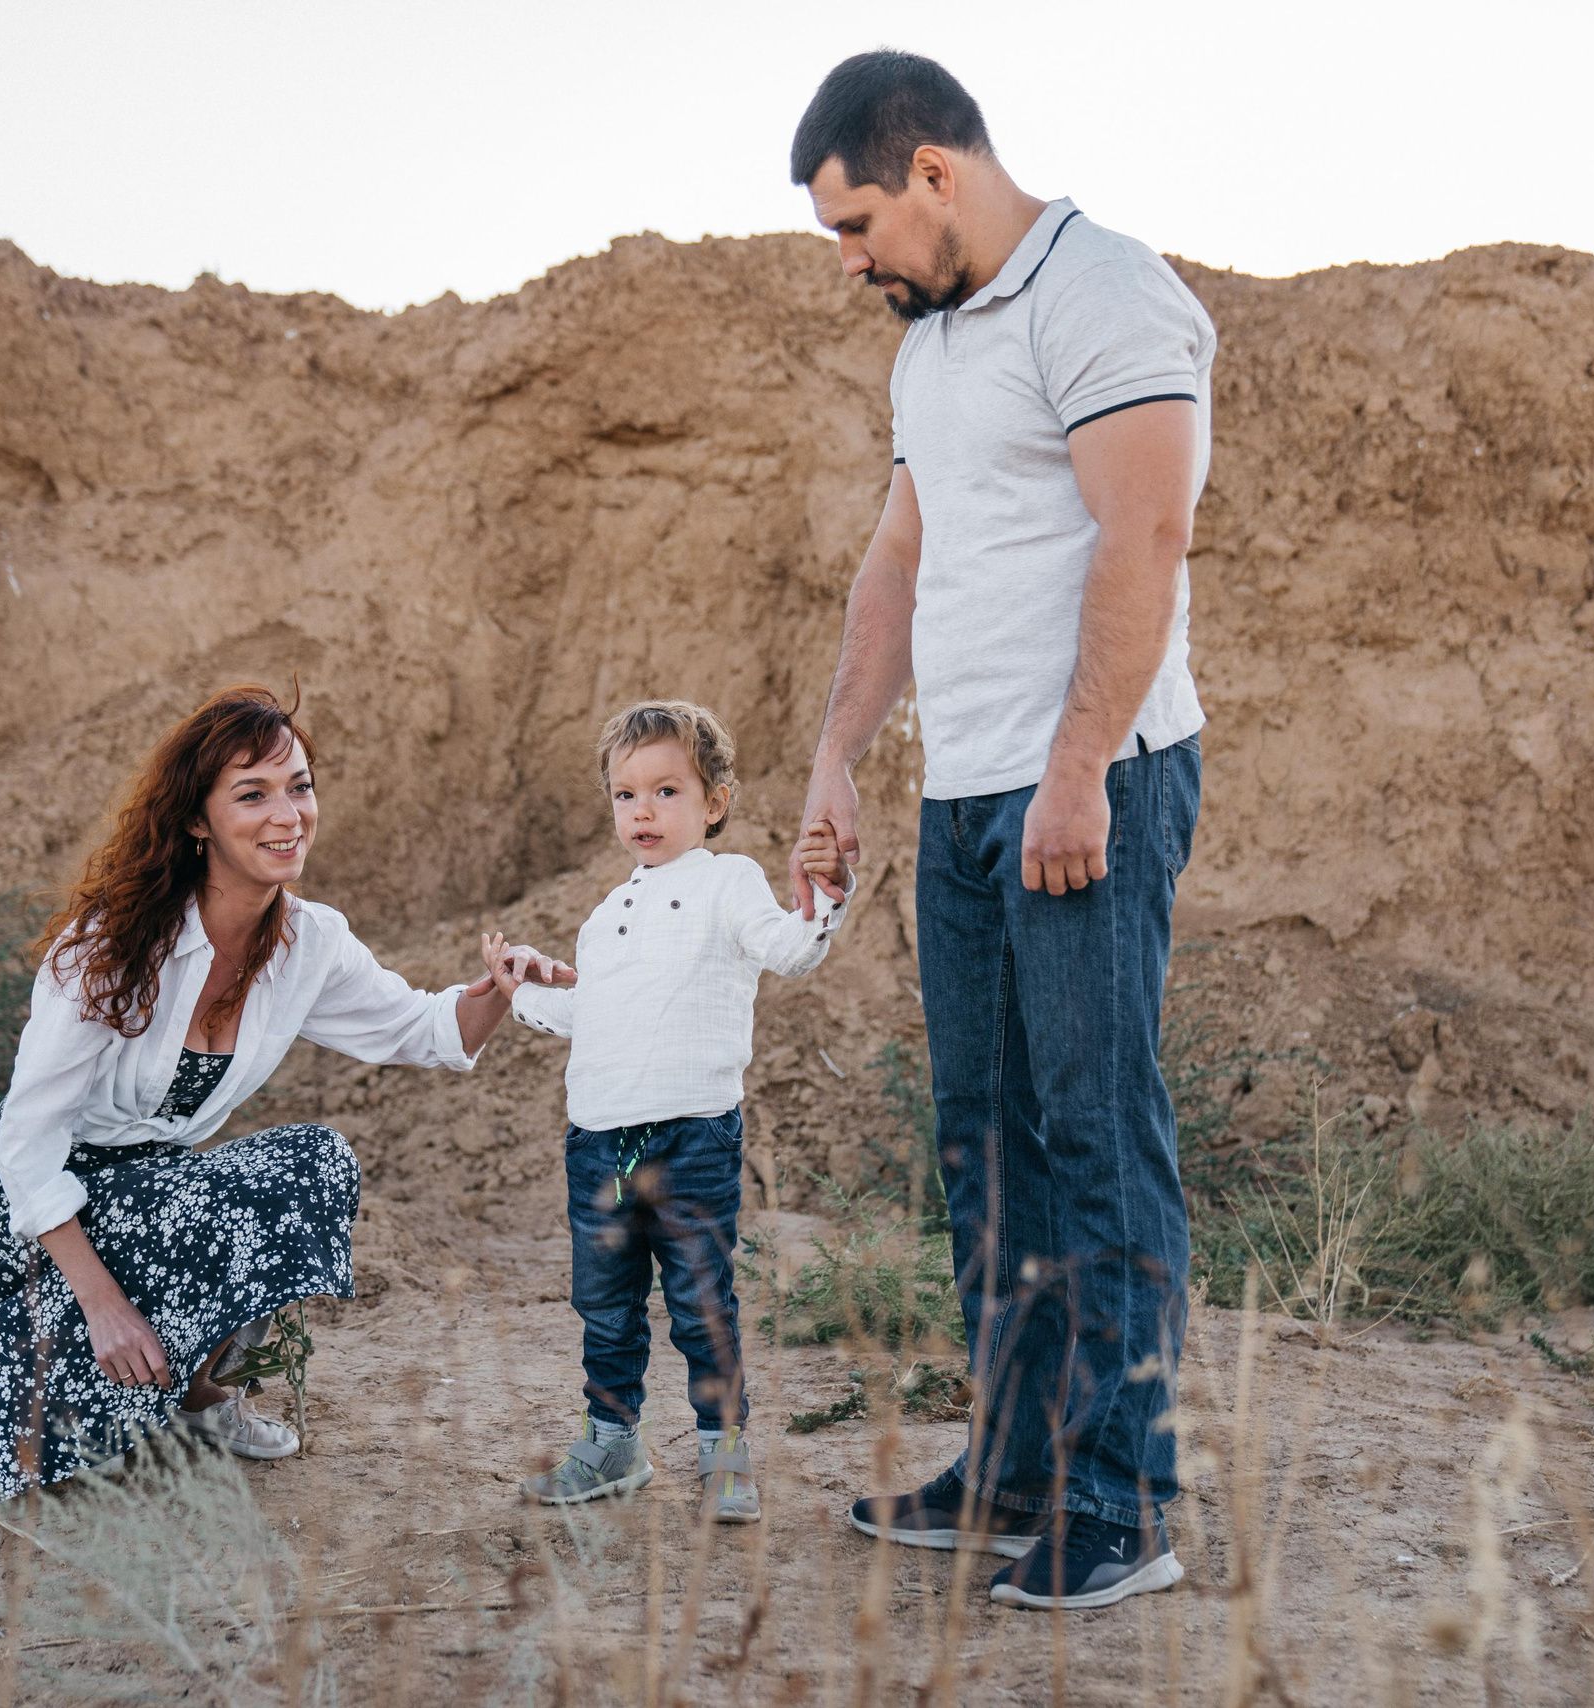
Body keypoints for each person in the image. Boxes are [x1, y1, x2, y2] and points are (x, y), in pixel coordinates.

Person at [787, 51, 1217, 1611]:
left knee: (1097, 1133)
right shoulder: (932, 349)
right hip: (963, 795)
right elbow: (900, 559)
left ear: (935, 176)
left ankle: (1126, 1504)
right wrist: (841, 756)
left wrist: (1079, 764)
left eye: (857, 228)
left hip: (1086, 786)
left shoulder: (1106, 294)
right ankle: (1021, 1462)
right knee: (986, 1141)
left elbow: (1147, 529)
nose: (851, 266)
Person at [0, 684, 548, 1506]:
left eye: (299, 786)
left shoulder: (310, 943)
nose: (288, 814)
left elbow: (426, 1031)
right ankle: (112, 1372)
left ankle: (201, 1402)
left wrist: (502, 989)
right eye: (253, 794)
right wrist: (104, 1307)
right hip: (34, 1203)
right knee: (20, 1468)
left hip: (147, 1190)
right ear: (197, 821)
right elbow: (25, 1142)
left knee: (311, 1165)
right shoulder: (109, 949)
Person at [504, 701, 851, 1523]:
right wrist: (521, 987)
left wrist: (824, 890)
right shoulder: (601, 918)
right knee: (605, 1304)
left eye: (666, 790)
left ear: (715, 802)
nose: (644, 811)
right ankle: (614, 1443)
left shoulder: (726, 883)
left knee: (701, 1300)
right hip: (598, 1144)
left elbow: (789, 949)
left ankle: (723, 1450)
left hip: (691, 1135)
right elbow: (590, 1015)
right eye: (627, 796)